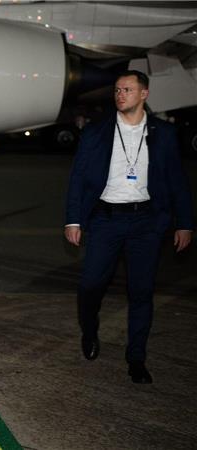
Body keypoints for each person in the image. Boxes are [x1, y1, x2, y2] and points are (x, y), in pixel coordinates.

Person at [65, 70, 193, 384]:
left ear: (144, 94)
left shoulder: (164, 133)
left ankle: (136, 358)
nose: (120, 95)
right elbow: (78, 177)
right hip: (106, 219)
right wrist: (73, 219)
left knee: (141, 291)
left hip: (146, 222)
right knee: (90, 285)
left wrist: (184, 223)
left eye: (127, 90)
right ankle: (90, 331)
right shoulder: (97, 131)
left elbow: (177, 181)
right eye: (117, 90)